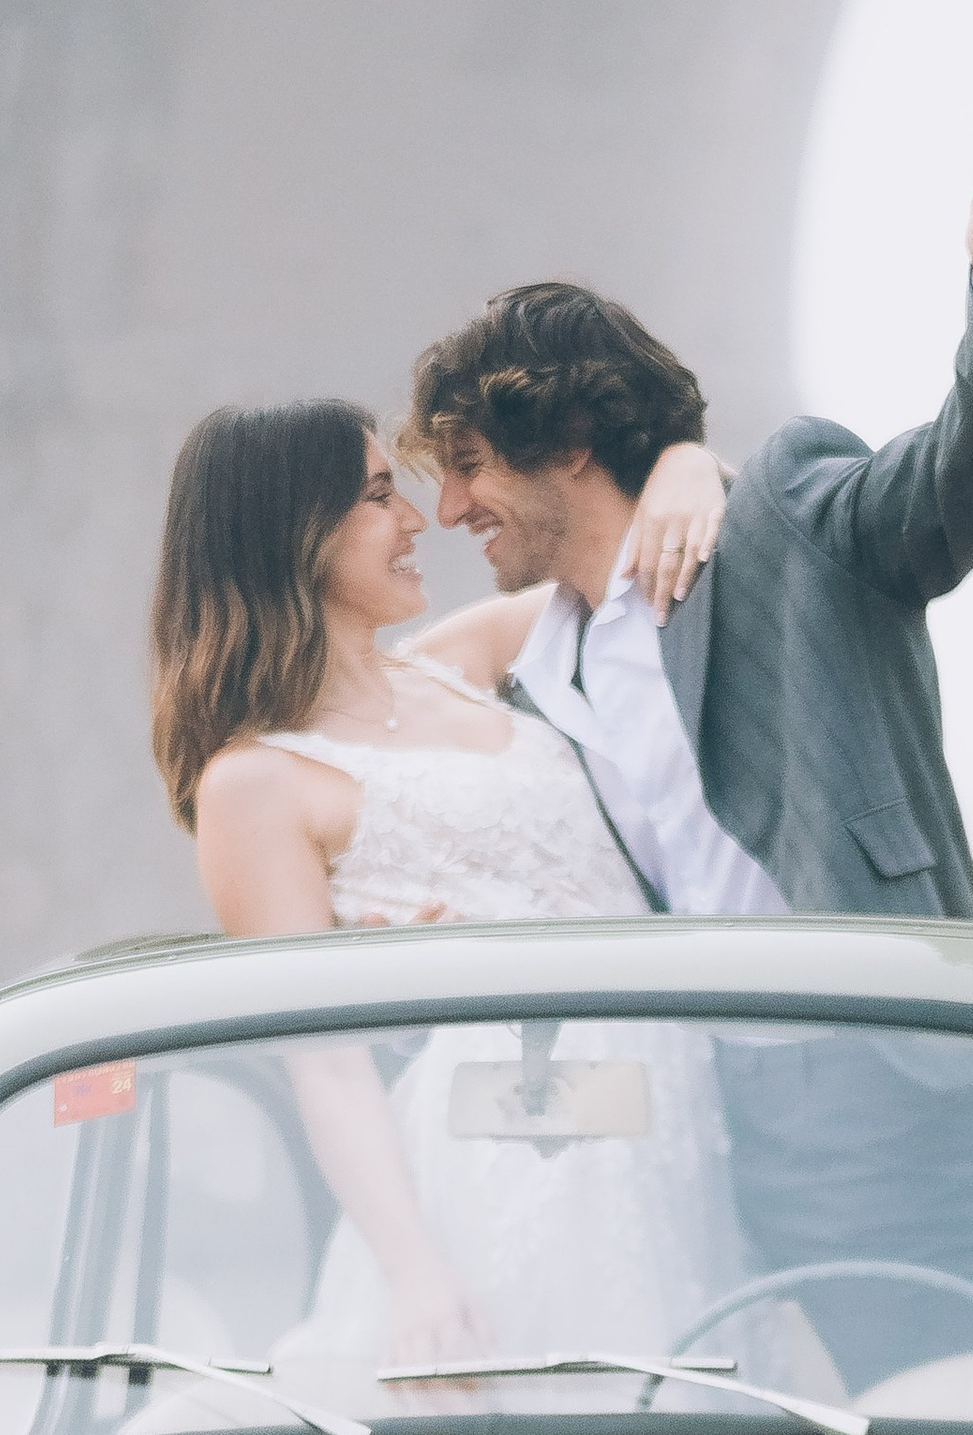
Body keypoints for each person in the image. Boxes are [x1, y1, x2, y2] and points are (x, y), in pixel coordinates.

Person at [394, 141, 973, 1388]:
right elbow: (356, 709)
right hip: (700, 1128)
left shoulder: (780, 520)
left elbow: (956, 491)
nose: (448, 511)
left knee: (948, 1422)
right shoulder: (539, 661)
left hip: (884, 1084)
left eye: (467, 466)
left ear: (562, 440)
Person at [147, 403, 737, 1380]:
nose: (420, 519)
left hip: (671, 1112)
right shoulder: (252, 784)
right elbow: (324, 1065)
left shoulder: (470, 659)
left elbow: (637, 551)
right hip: (503, 1161)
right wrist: (416, 1272)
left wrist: (682, 462)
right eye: (380, 495)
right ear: (288, 530)